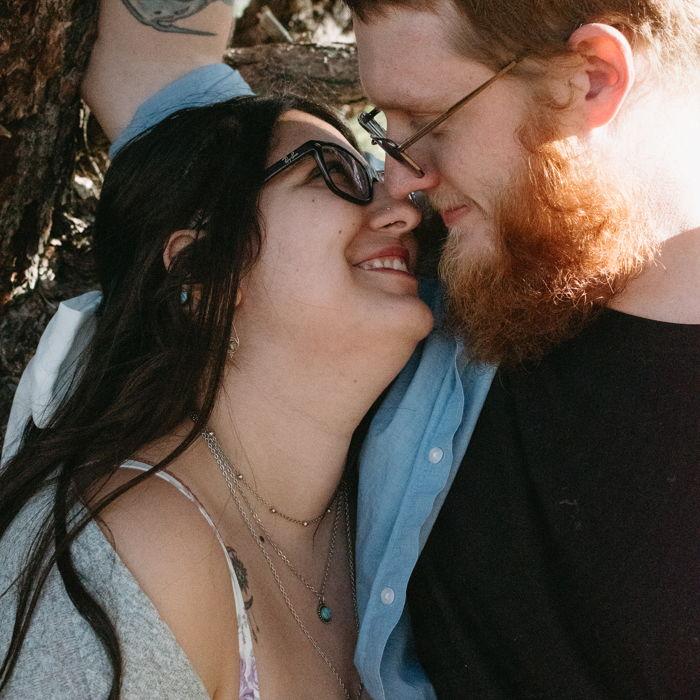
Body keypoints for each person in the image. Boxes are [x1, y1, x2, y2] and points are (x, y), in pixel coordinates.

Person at [0, 9, 434, 699]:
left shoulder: (393, 515)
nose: (403, 212)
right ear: (202, 274)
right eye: (333, 173)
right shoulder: (136, 553)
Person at [342, 0, 700, 698]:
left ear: (592, 79)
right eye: (387, 127)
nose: (398, 181)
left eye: (431, 121)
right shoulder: (437, 282)